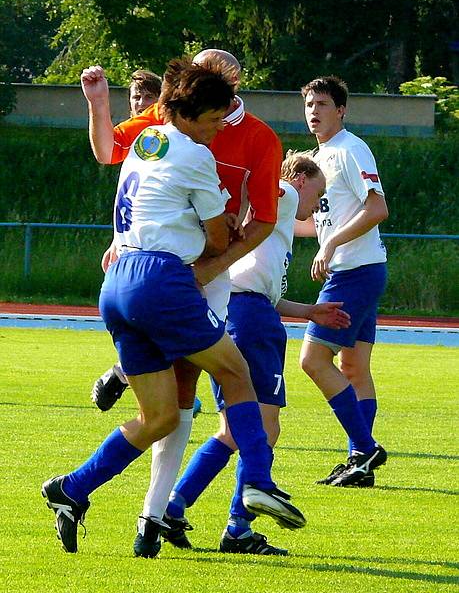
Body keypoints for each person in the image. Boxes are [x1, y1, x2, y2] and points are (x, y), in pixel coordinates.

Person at [41, 58, 305, 554]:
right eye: (210, 122)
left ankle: (71, 488)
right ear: (188, 113)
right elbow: (216, 234)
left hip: (118, 280)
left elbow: (115, 160)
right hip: (164, 280)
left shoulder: (148, 141)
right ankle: (259, 482)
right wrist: (219, 232)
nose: (214, 132)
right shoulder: (196, 155)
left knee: (160, 417)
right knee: (236, 372)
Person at [164, 152, 351, 556]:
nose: (315, 207)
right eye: (316, 195)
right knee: (266, 428)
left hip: (241, 312)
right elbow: (261, 187)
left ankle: (174, 505)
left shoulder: (273, 229)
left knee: (232, 429)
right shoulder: (283, 193)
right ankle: (238, 528)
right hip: (252, 320)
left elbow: (266, 293)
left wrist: (311, 311)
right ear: (300, 180)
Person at [91, 67, 203, 417]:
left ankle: (133, 377)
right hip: (152, 253)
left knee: (180, 327)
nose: (139, 104)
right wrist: (98, 103)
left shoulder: (176, 128)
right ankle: (136, 378)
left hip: (172, 248)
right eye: (134, 98)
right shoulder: (146, 132)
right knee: (209, 346)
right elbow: (113, 160)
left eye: (146, 97)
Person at [297, 75, 389, 487]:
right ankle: (359, 460)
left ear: (341, 110)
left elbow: (377, 208)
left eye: (322, 104)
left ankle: (365, 448)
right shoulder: (320, 157)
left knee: (312, 360)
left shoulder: (351, 149)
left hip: (356, 271)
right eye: (309, 105)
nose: (313, 112)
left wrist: (331, 244)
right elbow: (317, 225)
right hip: (361, 270)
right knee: (353, 366)